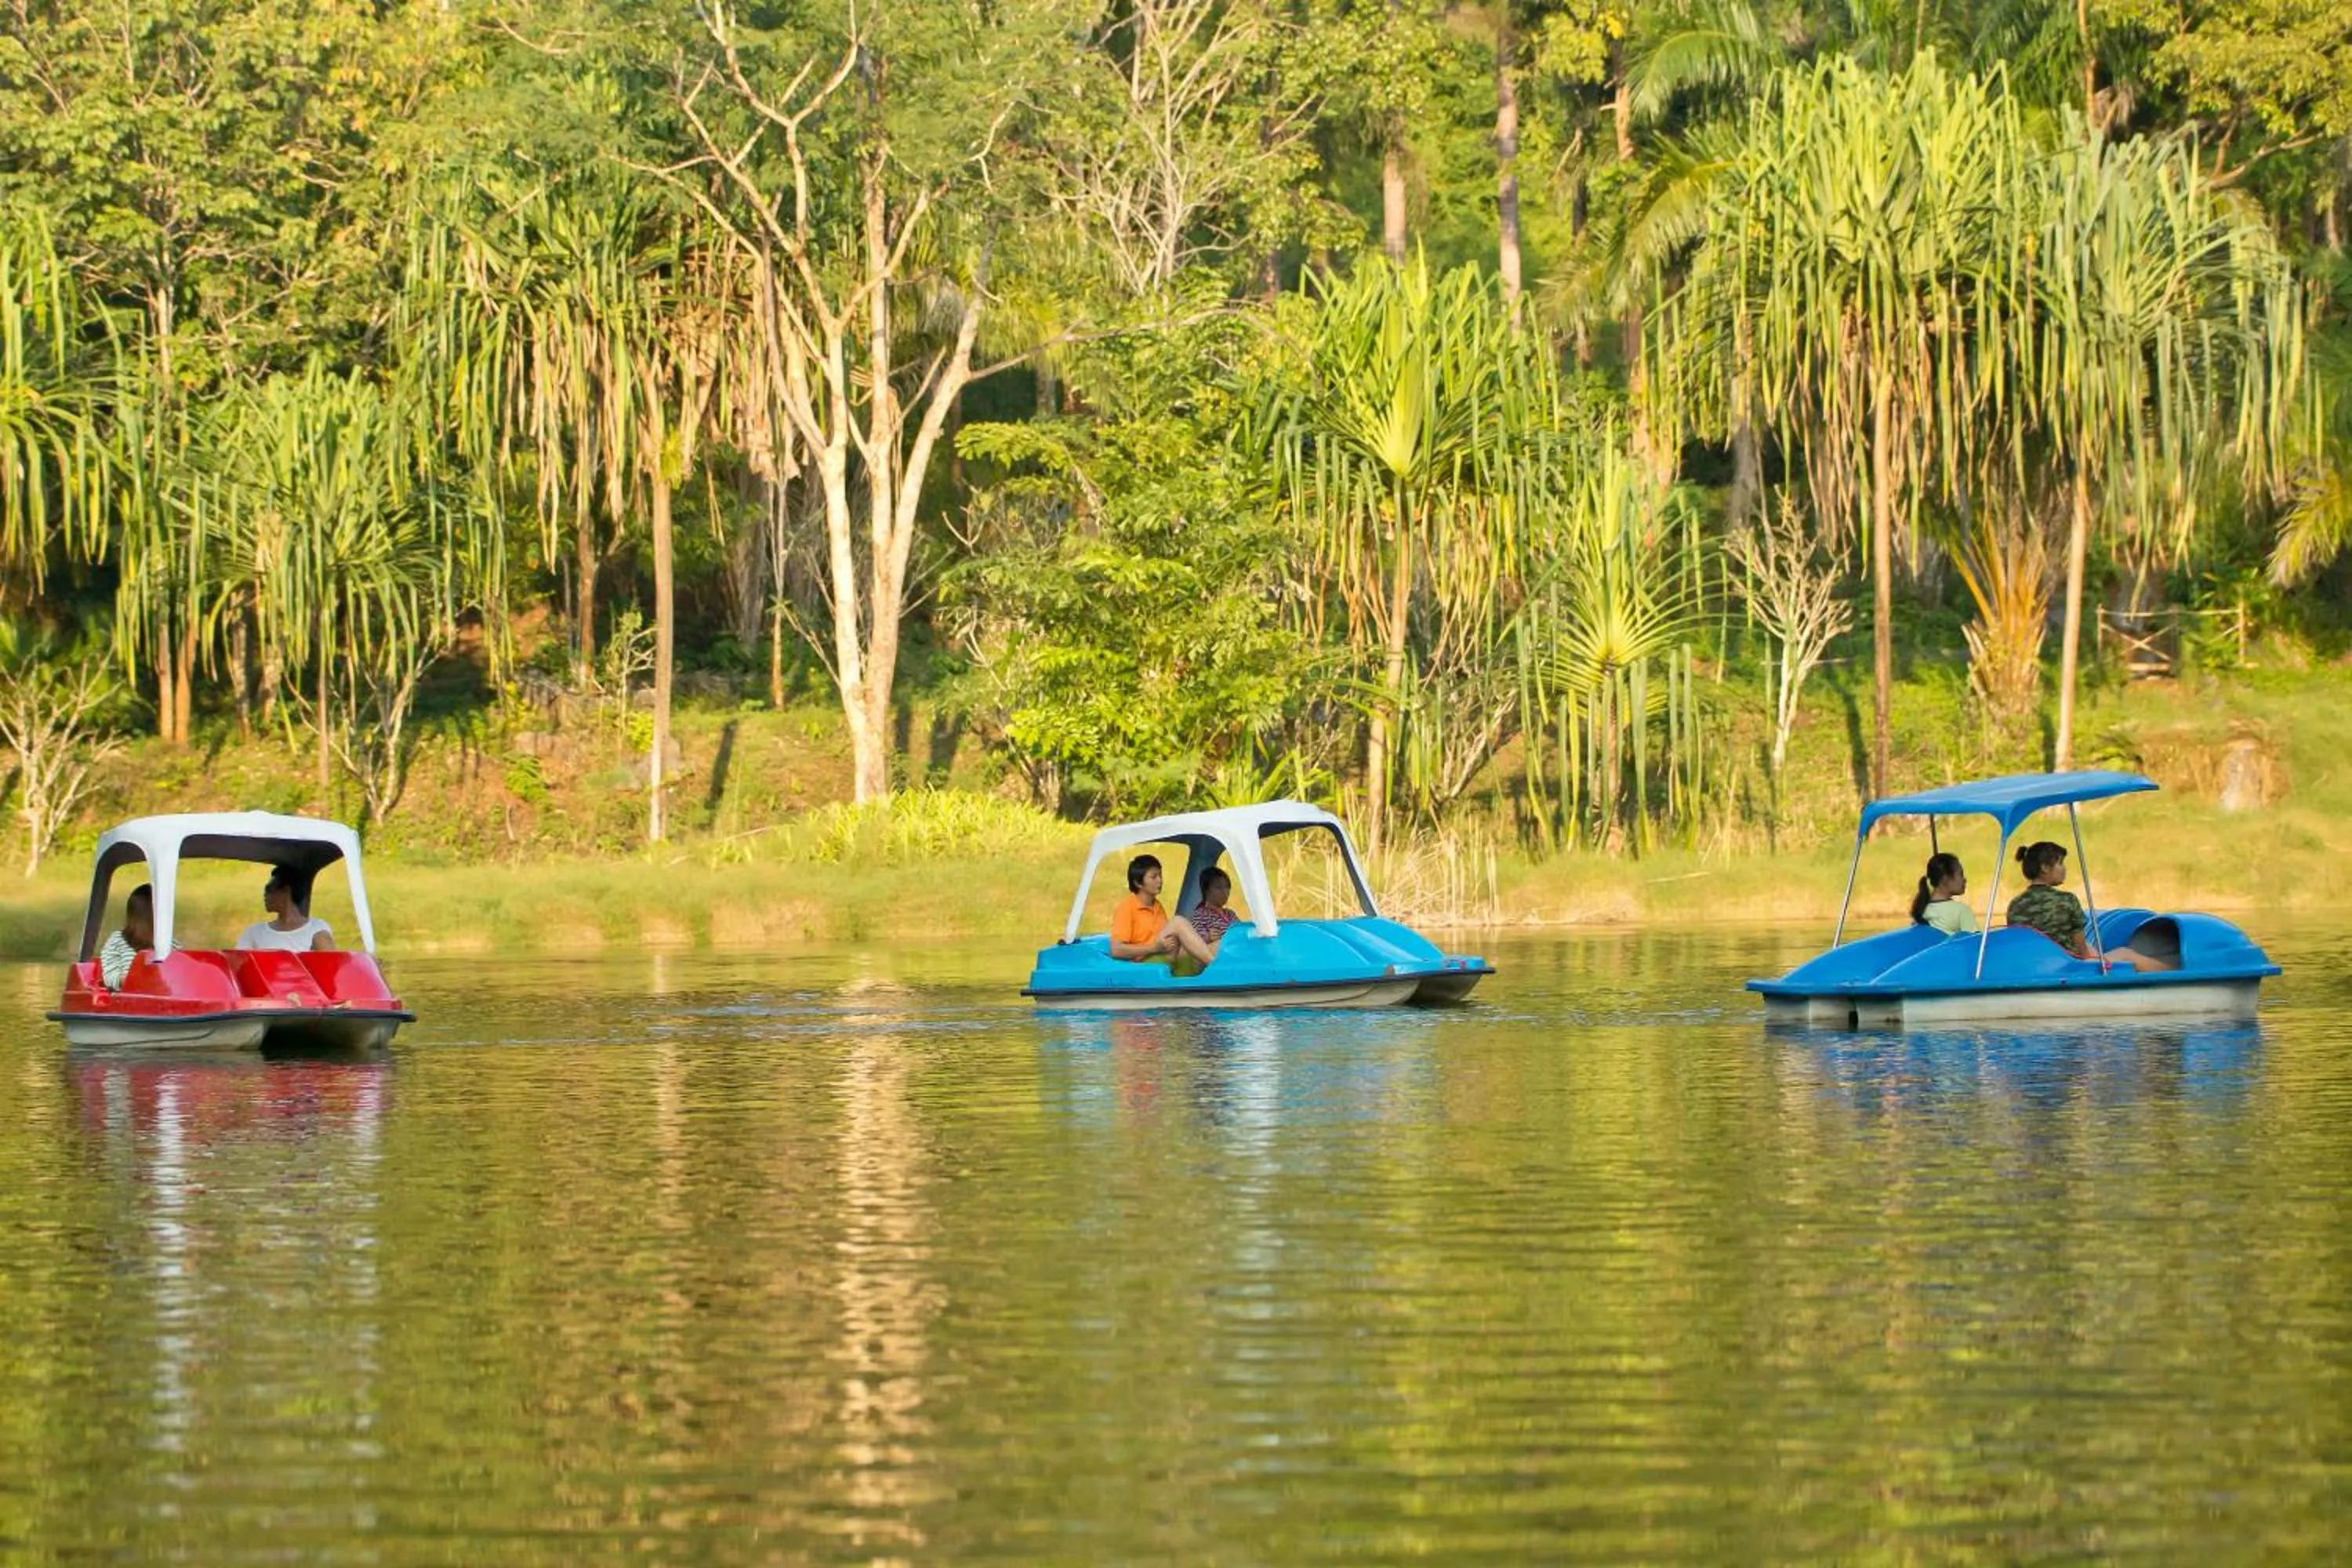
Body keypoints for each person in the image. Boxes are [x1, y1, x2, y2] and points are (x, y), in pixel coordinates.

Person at [2005, 840, 2165, 971]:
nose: (2064, 869)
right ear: (2045, 868)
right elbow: (2082, 949)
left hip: (2031, 968)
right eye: (2060, 864)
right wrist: (2096, 958)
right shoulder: (2066, 900)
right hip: (2068, 967)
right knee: (2125, 954)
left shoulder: (2015, 905)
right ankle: (2178, 974)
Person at [1108, 854, 1218, 971]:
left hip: (1163, 954)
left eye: (1160, 875)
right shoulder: (1126, 908)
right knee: (1178, 922)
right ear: (1138, 883)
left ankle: (1228, 978)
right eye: (1154, 877)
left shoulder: (1157, 906)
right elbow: (1116, 950)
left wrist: (1206, 938)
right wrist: (1153, 948)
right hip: (1144, 964)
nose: (1160, 880)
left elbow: (1171, 941)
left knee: (1217, 945)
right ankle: (1217, 967)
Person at [237, 864, 336, 953]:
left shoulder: (316, 928)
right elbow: (237, 967)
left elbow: (330, 965)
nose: (265, 894)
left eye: (269, 889)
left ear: (286, 891)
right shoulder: (254, 933)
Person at [99, 884, 154, 989]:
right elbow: (109, 976)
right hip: (128, 998)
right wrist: (127, 980)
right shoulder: (117, 940)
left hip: (162, 997)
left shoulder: (170, 944)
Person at [1911, 852, 1976, 936]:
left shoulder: (1921, 911)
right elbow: (1976, 943)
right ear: (1946, 878)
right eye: (1961, 874)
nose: (1964, 879)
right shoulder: (1962, 911)